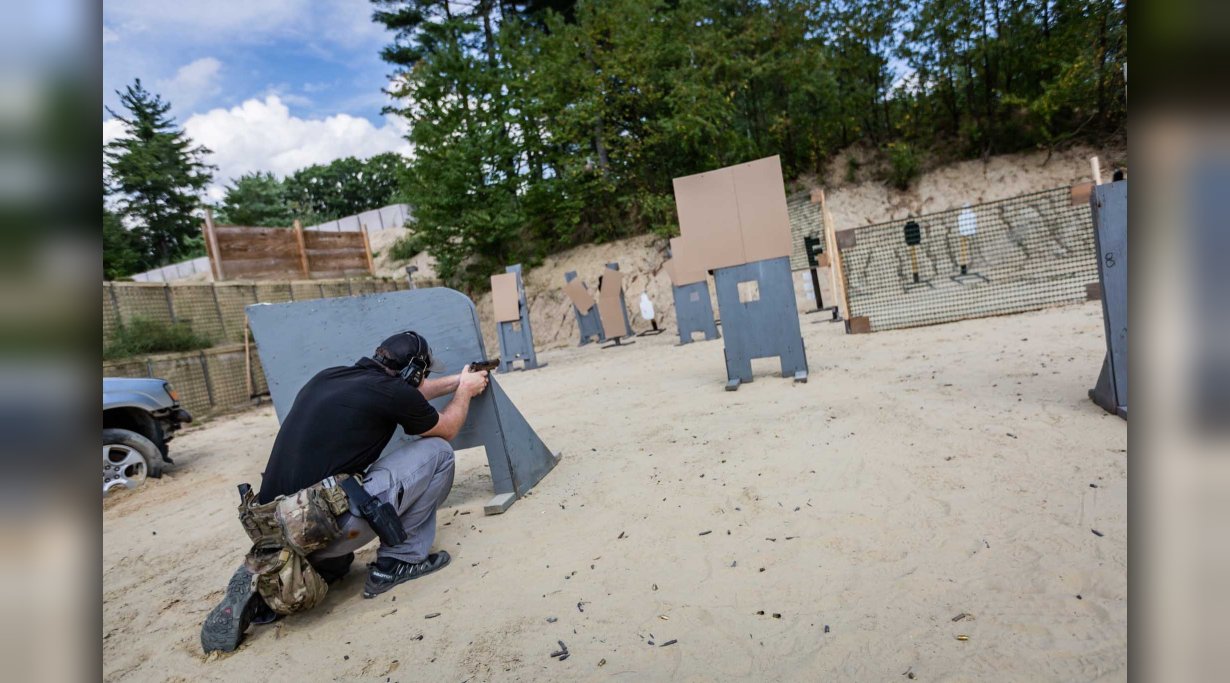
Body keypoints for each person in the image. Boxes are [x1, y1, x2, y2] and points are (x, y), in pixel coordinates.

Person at [201, 331, 489, 653]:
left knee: (338, 561)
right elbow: (446, 426)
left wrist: (458, 379)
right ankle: (398, 562)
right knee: (438, 452)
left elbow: (410, 393)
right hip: (327, 527)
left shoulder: (330, 377)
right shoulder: (392, 391)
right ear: (413, 373)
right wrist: (464, 392)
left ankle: (277, 578)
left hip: (279, 525)